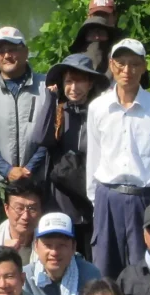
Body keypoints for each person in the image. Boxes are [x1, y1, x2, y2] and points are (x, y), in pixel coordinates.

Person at [86, 38, 150, 283]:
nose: (127, 70)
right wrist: (97, 201)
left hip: (145, 197)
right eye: (121, 64)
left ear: (144, 67)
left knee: (145, 271)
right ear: (111, 65)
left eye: (134, 64)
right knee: (105, 269)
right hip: (108, 196)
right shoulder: (98, 107)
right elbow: (93, 160)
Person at [0, 26, 48, 208]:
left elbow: (53, 133)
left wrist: (30, 168)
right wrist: (7, 170)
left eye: (12, 49)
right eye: (1, 51)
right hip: (1, 183)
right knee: (4, 235)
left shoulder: (46, 87)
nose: (7, 55)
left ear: (26, 51)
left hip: (40, 180)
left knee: (41, 235)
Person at [39, 53, 106, 252]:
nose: (74, 88)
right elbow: (39, 138)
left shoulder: (98, 111)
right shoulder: (59, 112)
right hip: (62, 198)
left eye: (79, 81)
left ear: (90, 83)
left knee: (92, 252)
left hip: (90, 196)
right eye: (68, 82)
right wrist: (50, 100)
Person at [28, 211, 102, 295]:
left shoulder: (90, 275)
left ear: (73, 247)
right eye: (47, 245)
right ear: (36, 246)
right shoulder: (25, 278)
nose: (54, 252)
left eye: (61, 245)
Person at [68, 0, 121, 72]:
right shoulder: (78, 48)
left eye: (104, 15)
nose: (100, 19)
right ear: (89, 16)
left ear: (115, 16)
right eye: (96, 15)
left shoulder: (124, 46)